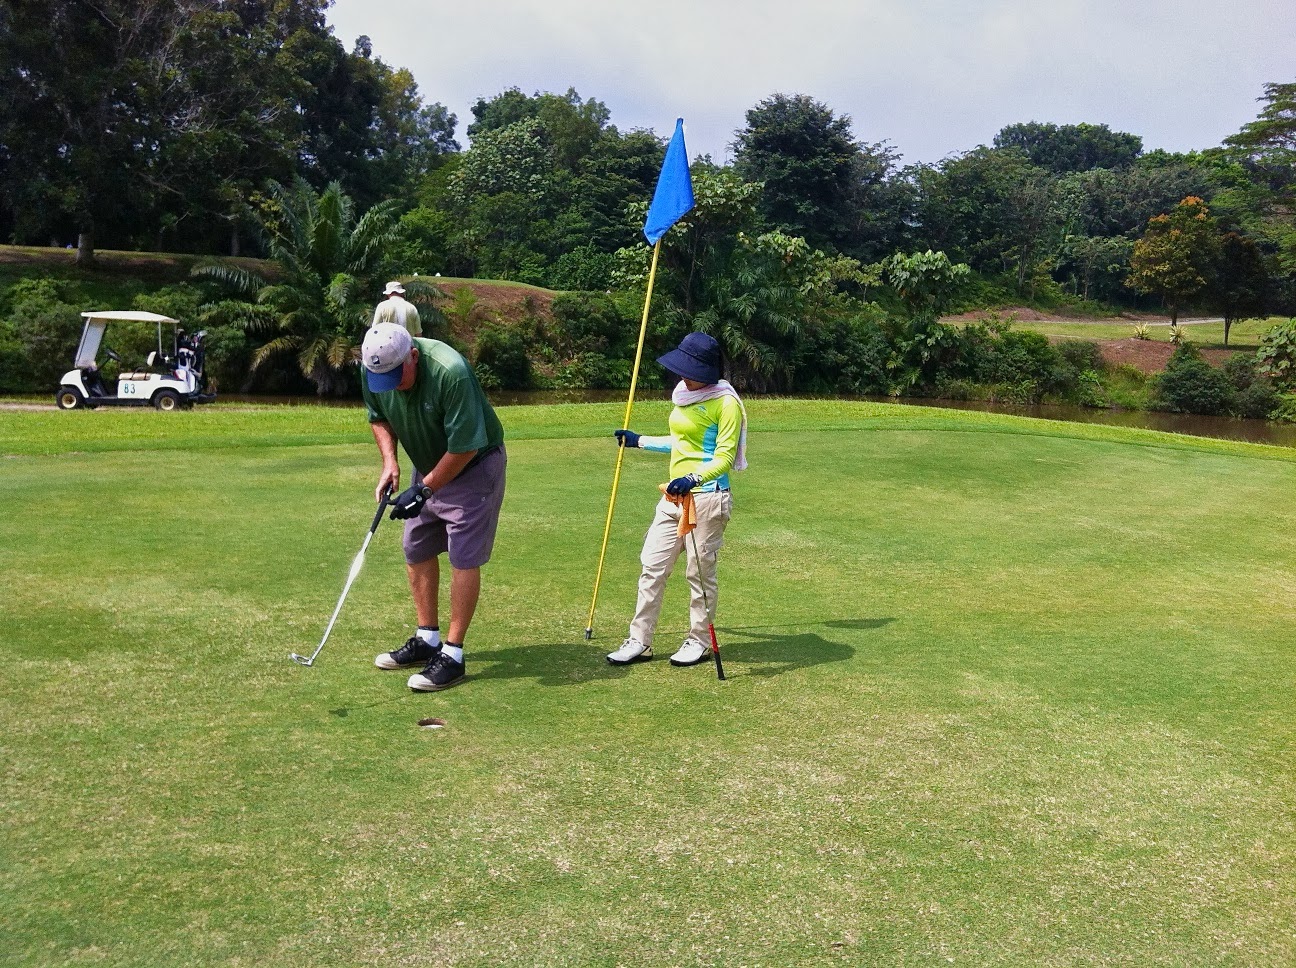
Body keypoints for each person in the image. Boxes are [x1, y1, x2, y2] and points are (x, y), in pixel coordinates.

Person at [360, 322, 506, 691]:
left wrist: (423, 490)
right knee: (416, 546)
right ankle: (427, 638)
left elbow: (465, 447)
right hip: (427, 466)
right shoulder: (375, 366)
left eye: (397, 376)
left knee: (463, 556)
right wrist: (390, 462)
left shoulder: (450, 371)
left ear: (413, 355)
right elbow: (378, 417)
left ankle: (453, 655)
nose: (391, 385)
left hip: (473, 467)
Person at [606, 332, 748, 667]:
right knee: (651, 568)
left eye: (691, 371)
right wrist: (640, 441)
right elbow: (681, 442)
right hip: (673, 498)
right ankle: (640, 641)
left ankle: (698, 641)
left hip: (707, 498)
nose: (683, 376)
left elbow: (724, 457)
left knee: (699, 575)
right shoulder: (684, 395)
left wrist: (693, 478)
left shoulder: (726, 403)